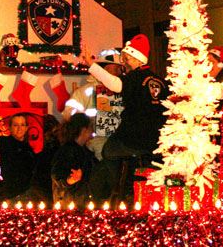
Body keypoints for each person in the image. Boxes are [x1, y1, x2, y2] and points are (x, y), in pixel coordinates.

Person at [90, 34, 169, 204]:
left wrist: (91, 66)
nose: (124, 63)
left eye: (126, 58)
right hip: (156, 141)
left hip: (133, 139)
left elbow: (115, 85)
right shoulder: (160, 81)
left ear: (135, 58)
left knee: (107, 151)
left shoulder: (134, 78)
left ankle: (116, 190)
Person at [63, 49, 125, 160]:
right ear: (105, 69)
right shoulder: (83, 92)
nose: (119, 72)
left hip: (118, 141)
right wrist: (89, 124)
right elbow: (69, 115)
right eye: (116, 68)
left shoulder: (124, 90)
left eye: (120, 69)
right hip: (92, 143)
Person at [0, 102, 37, 201]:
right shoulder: (5, 142)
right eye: (16, 125)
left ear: (26, 128)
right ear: (10, 127)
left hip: (29, 194)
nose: (19, 128)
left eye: (22, 125)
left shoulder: (28, 147)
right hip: (12, 195)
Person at [50, 113, 94, 207]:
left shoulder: (84, 151)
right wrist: (70, 179)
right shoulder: (67, 150)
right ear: (84, 130)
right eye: (90, 127)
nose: (92, 131)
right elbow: (57, 174)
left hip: (80, 202)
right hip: (69, 203)